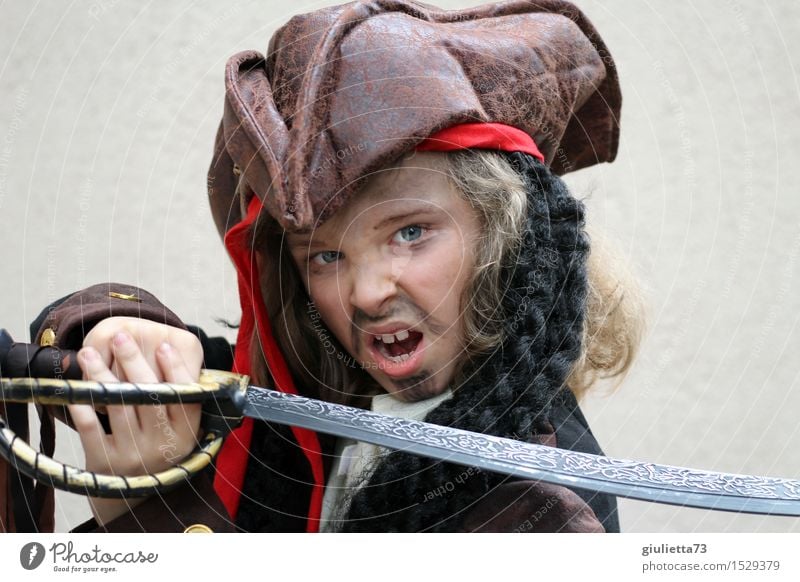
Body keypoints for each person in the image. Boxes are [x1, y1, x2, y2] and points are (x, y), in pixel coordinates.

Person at [3, 0, 645, 533]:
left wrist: (157, 517)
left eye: (411, 233)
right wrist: (120, 340)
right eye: (326, 256)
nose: (365, 294)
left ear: (505, 234)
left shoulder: (540, 512)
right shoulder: (320, 404)